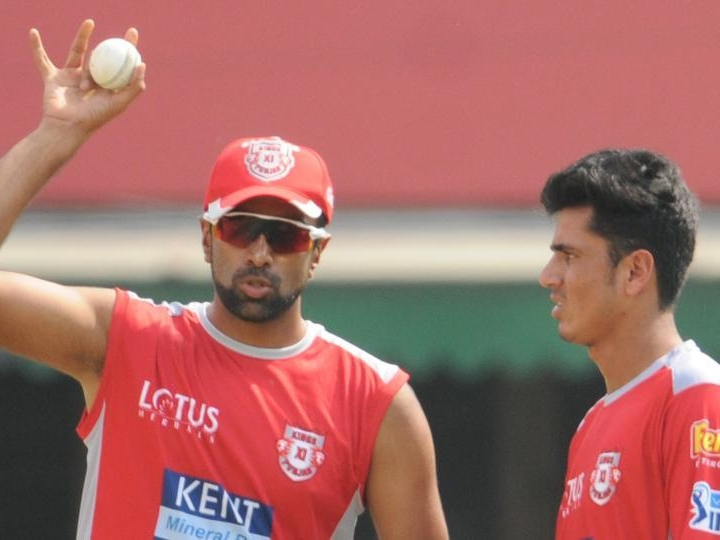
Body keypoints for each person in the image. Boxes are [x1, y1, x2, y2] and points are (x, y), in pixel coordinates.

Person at [0, 19, 449, 540]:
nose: (259, 252)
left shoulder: (377, 403)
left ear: (317, 252)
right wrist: (55, 137)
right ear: (208, 237)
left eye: (285, 235)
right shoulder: (126, 340)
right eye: (241, 228)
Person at [539, 148, 720, 538]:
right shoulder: (590, 426)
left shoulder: (698, 397)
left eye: (569, 256)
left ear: (635, 271)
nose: (548, 277)